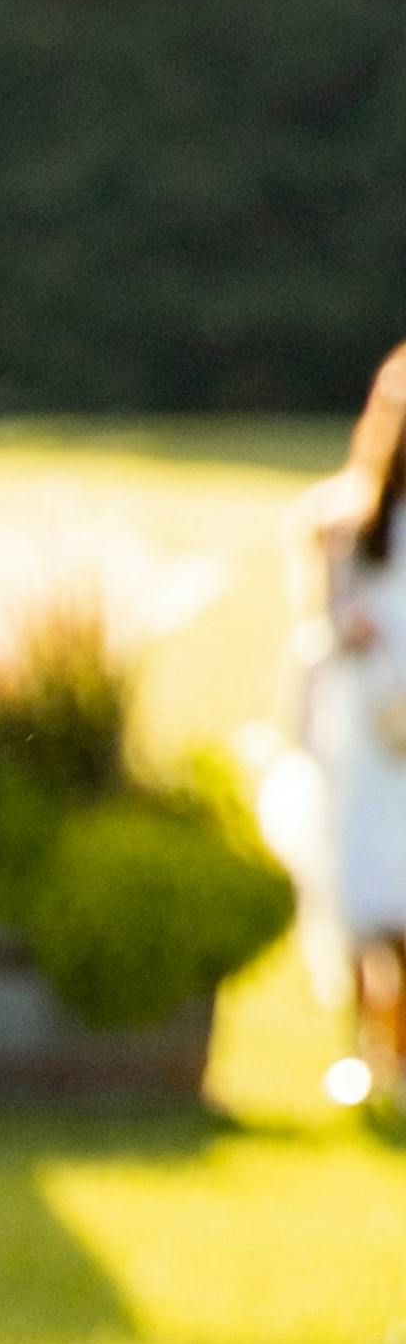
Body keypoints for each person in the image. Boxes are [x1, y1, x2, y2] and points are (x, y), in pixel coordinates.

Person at [298, 343, 406, 1115]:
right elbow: (328, 622)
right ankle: (365, 1050)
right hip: (370, 735)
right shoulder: (352, 523)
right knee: (366, 891)